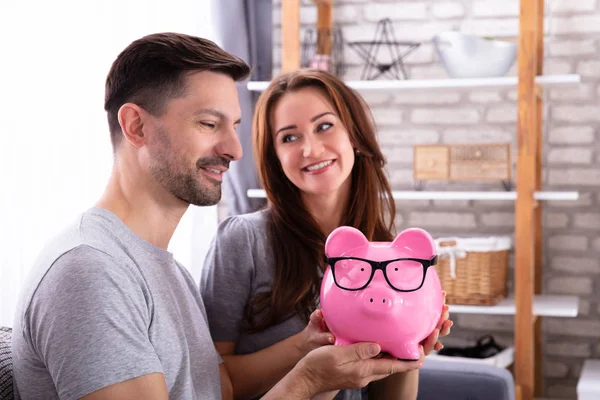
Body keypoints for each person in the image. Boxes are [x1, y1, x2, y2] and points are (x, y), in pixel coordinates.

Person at [11, 33, 426, 400]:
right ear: (136, 126)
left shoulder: (167, 272)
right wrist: (306, 382)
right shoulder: (90, 271)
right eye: (210, 123)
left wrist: (309, 348)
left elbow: (220, 389)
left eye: (235, 127)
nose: (235, 149)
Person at [200, 69, 453, 400]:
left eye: (324, 126)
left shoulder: (385, 251)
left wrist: (412, 350)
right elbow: (207, 384)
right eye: (290, 137)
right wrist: (305, 347)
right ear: (275, 158)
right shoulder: (241, 241)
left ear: (355, 135)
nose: (311, 149)